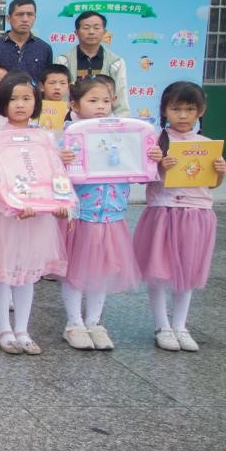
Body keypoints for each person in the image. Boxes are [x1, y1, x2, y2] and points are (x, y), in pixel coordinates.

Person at [136, 81, 226, 352]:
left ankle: (180, 326)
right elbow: (144, 178)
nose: (183, 115)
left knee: (187, 271)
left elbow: (212, 184)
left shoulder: (207, 145)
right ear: (165, 110)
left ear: (201, 111)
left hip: (197, 213)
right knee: (158, 270)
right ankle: (162, 325)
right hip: (163, 211)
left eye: (190, 109)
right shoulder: (156, 142)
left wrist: (220, 171)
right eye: (176, 109)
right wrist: (160, 165)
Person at [59, 77, 143, 351]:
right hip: (80, 215)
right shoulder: (68, 136)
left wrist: (150, 155)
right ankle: (74, 323)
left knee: (102, 270)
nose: (100, 107)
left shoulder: (124, 134)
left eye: (106, 101)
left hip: (111, 214)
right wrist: (60, 160)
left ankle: (94, 322)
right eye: (93, 100)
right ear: (75, 105)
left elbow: (139, 167)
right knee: (74, 271)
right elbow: (55, 174)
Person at [0, 72, 70, 356]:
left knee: (28, 273)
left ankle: (22, 329)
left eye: (26, 98)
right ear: (3, 102)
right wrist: (13, 202)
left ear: (36, 101)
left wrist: (61, 201)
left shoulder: (45, 137)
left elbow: (54, 173)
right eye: (13, 99)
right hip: (6, 212)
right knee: (3, 272)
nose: (20, 104)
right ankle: (4, 328)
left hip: (38, 213)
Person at [53, 11, 130, 117]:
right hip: (70, 120)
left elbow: (121, 100)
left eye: (96, 28)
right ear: (76, 32)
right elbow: (59, 97)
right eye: (86, 28)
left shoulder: (116, 62)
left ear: (104, 32)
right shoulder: (63, 61)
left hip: (103, 121)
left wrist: (122, 123)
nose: (91, 32)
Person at [0, 0, 52, 77]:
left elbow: (47, 79)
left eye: (30, 14)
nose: (25, 19)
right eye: (20, 14)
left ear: (35, 18)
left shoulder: (44, 49)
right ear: (8, 18)